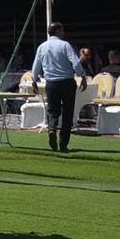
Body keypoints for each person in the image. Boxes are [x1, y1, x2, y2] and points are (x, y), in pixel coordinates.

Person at [31, 23, 87, 152]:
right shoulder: (65, 45)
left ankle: (52, 129)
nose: (64, 32)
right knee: (68, 112)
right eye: (62, 30)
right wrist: (82, 75)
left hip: (51, 83)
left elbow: (36, 66)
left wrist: (34, 81)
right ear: (57, 31)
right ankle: (63, 143)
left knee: (52, 110)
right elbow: (75, 62)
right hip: (67, 82)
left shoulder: (42, 47)